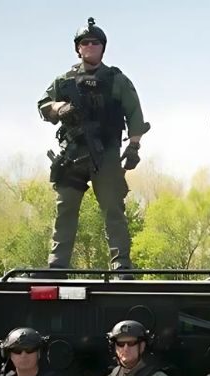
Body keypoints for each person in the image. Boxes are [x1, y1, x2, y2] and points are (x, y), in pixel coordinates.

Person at [37, 17, 151, 273]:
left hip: (106, 153)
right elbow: (43, 105)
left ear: (102, 47)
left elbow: (135, 114)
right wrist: (59, 107)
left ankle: (121, 264)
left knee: (114, 208)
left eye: (95, 43)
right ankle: (58, 265)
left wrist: (133, 147)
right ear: (78, 48)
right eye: (85, 43)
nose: (90, 46)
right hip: (72, 152)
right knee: (65, 209)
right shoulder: (64, 80)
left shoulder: (116, 79)